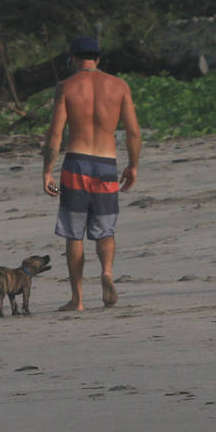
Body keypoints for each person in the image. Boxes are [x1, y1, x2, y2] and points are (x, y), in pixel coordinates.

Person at [43, 36, 141, 310]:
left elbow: (55, 133)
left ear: (72, 58)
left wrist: (47, 171)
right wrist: (132, 166)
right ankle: (107, 273)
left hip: (76, 163)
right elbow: (133, 132)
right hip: (106, 165)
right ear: (98, 58)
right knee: (105, 229)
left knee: (74, 234)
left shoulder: (66, 87)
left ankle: (78, 299)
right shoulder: (119, 86)